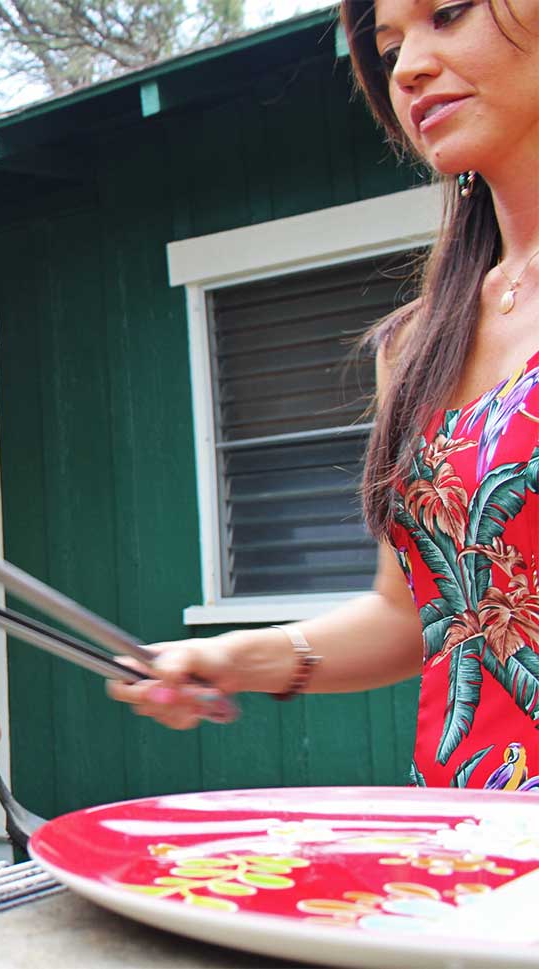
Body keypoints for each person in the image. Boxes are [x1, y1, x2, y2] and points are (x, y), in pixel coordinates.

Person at [110, 0, 539, 792]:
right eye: (387, 48)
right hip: (468, 848)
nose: (407, 66)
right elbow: (411, 618)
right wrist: (236, 657)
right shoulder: (415, 348)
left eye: (446, 14)